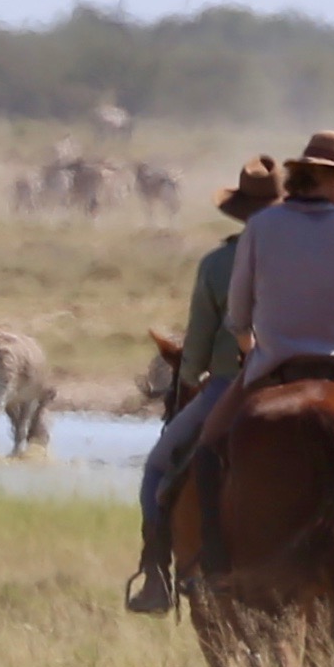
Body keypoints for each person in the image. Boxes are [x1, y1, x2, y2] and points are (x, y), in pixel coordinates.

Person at [128, 130, 334, 611]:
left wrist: (256, 353)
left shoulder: (261, 230)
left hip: (272, 366)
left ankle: (208, 556)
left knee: (207, 450)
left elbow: (237, 317)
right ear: (331, 177)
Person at [124, 156, 280, 611]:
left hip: (232, 382)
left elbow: (197, 338)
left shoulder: (218, 263)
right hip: (307, 372)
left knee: (157, 468)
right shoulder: (303, 251)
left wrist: (190, 377)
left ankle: (157, 578)